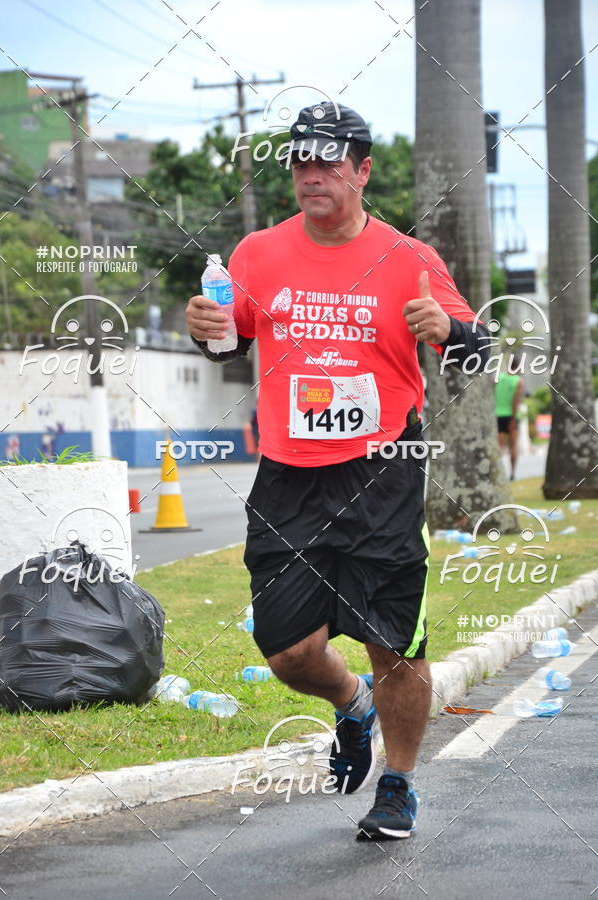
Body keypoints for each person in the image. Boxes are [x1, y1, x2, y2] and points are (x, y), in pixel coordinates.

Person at [186, 102, 489, 841]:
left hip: (382, 471)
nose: (312, 175)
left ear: (362, 170)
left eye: (328, 162)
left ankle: (399, 784)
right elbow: (233, 343)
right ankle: (352, 706)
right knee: (287, 650)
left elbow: (475, 352)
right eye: (301, 162)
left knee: (395, 640)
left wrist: (450, 331)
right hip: (289, 475)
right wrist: (210, 336)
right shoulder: (257, 252)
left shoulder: (409, 257)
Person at [495, 358, 524, 481]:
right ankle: (512, 473)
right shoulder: (518, 381)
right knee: (513, 446)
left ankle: (499, 474)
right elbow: (516, 401)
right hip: (512, 417)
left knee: (500, 447)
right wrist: (513, 418)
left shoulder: (499, 378)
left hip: (498, 415)